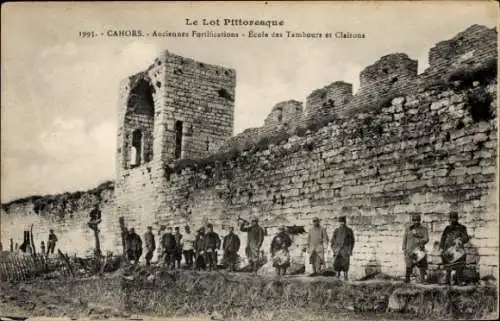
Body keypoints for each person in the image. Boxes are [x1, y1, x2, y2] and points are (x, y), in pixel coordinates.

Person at [439, 212, 470, 285]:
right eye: (451, 218)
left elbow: (466, 238)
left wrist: (460, 240)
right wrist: (441, 247)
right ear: (449, 219)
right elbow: (443, 238)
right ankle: (447, 282)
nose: (453, 220)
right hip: (448, 250)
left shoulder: (462, 228)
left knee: (459, 266)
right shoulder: (447, 228)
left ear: (457, 218)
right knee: (448, 267)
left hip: (457, 250)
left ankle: (459, 281)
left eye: (454, 218)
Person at [402, 213, 429, 283]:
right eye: (414, 220)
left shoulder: (423, 229)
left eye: (417, 220)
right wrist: (404, 248)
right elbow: (404, 239)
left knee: (422, 265)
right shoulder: (408, 229)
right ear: (412, 221)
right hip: (410, 250)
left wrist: (419, 239)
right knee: (408, 264)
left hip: (419, 250)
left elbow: (426, 238)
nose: (416, 222)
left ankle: (423, 279)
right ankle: (407, 279)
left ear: (420, 220)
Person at [331, 216, 355, 280]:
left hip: (345, 248)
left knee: (346, 262)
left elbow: (352, 241)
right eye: (340, 222)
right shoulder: (336, 230)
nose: (342, 224)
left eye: (343, 222)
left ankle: (345, 275)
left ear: (345, 222)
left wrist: (350, 249)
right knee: (337, 262)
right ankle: (338, 274)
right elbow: (332, 240)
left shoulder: (349, 231)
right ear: (339, 223)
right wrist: (334, 249)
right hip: (338, 249)